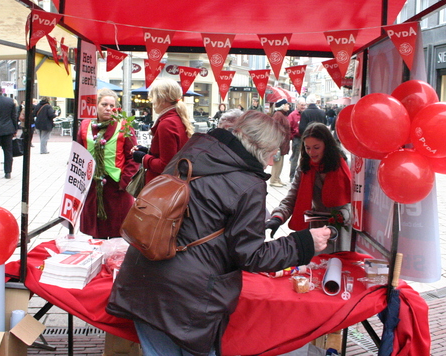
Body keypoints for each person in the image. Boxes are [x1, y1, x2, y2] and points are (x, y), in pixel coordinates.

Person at [107, 111, 333, 356]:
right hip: (187, 298)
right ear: (260, 147)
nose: (271, 162)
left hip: (141, 277)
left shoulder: (192, 151)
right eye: (273, 153)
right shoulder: (248, 184)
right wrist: (303, 243)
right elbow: (251, 255)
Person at [266, 122, 353, 253]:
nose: (311, 152)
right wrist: (278, 217)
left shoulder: (344, 166)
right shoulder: (305, 167)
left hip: (340, 230)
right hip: (315, 230)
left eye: (316, 147)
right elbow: (292, 197)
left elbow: (354, 204)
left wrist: (340, 217)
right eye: (307, 148)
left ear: (327, 146)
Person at [77, 88, 139, 239]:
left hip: (116, 186)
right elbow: (78, 153)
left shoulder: (124, 126)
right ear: (96, 106)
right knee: (96, 230)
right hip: (92, 185)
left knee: (118, 229)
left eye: (112, 106)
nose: (108, 108)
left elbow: (133, 157)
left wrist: (124, 182)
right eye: (104, 104)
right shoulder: (85, 125)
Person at [132, 79, 194, 184]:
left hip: (161, 186)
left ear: (162, 99)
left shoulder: (167, 123)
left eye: (153, 97)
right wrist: (147, 151)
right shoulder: (178, 118)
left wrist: (143, 158)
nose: (152, 101)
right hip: (173, 183)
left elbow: (166, 165)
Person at [269, 99, 291, 187]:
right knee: (277, 162)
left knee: (280, 162)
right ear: (282, 105)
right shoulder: (278, 115)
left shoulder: (282, 115)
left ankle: (277, 178)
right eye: (286, 104)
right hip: (279, 143)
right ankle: (273, 180)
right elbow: (274, 129)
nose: (288, 106)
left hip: (283, 143)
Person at [288, 97, 306, 182]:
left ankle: (302, 176)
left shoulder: (306, 114)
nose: (303, 106)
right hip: (297, 139)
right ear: (297, 105)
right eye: (301, 105)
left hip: (305, 139)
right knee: (295, 157)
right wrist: (292, 136)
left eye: (304, 105)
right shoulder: (292, 115)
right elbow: (289, 127)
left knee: (304, 157)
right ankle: (292, 176)